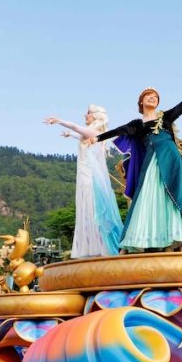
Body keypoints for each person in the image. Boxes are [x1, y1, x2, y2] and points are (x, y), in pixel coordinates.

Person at [96, 82, 182, 251]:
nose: (153, 98)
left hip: (173, 161)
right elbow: (117, 131)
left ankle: (176, 238)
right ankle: (151, 239)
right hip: (152, 164)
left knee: (175, 197)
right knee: (150, 197)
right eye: (149, 95)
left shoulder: (166, 117)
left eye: (156, 97)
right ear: (141, 102)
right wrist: (96, 139)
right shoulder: (136, 124)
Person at [42, 106, 124, 258]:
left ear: (95, 117)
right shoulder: (88, 134)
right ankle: (92, 246)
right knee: (86, 207)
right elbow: (80, 135)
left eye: (88, 113)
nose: (85, 115)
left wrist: (60, 121)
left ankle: (103, 246)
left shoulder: (96, 133)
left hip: (90, 176)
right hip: (83, 174)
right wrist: (70, 135)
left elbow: (77, 127)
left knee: (93, 207)